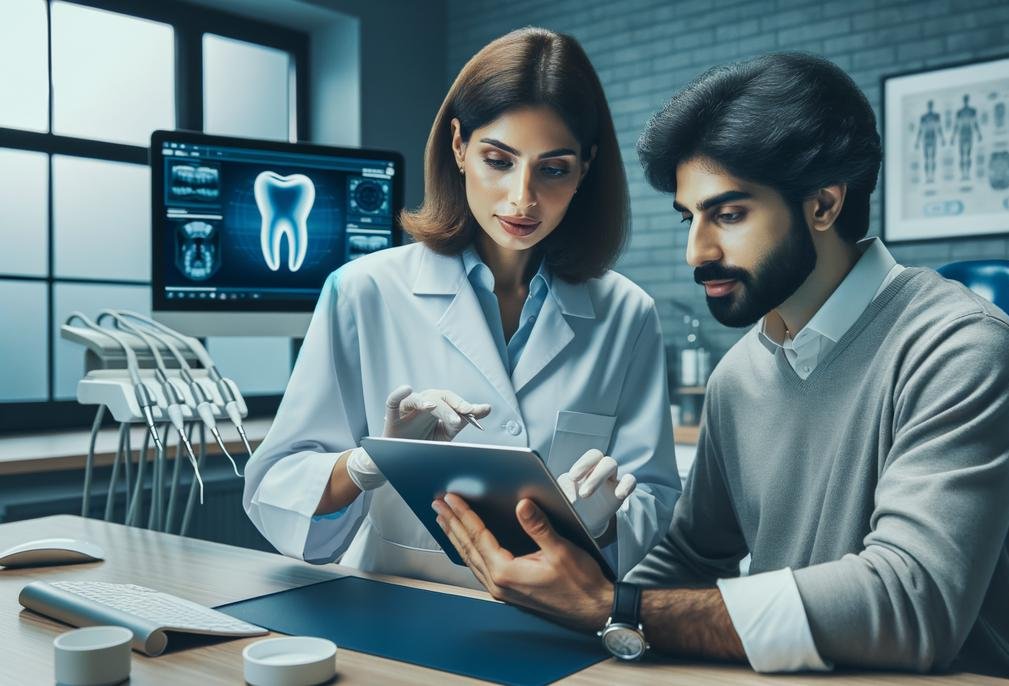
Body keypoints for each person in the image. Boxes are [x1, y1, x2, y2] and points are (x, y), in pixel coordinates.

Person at [432, 52, 1009, 685]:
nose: (696, 251)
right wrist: (570, 604)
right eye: (690, 216)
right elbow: (690, 556)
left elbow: (912, 603)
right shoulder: (740, 375)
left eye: (728, 215)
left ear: (823, 205)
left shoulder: (960, 346)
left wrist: (615, 607)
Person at [243, 27, 681, 588]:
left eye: (553, 169)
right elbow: (275, 487)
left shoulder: (627, 314)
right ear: (458, 145)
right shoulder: (362, 292)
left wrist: (599, 526)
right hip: (396, 618)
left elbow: (656, 496)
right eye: (498, 160)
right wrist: (368, 464)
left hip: (558, 632)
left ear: (586, 167)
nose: (523, 199)